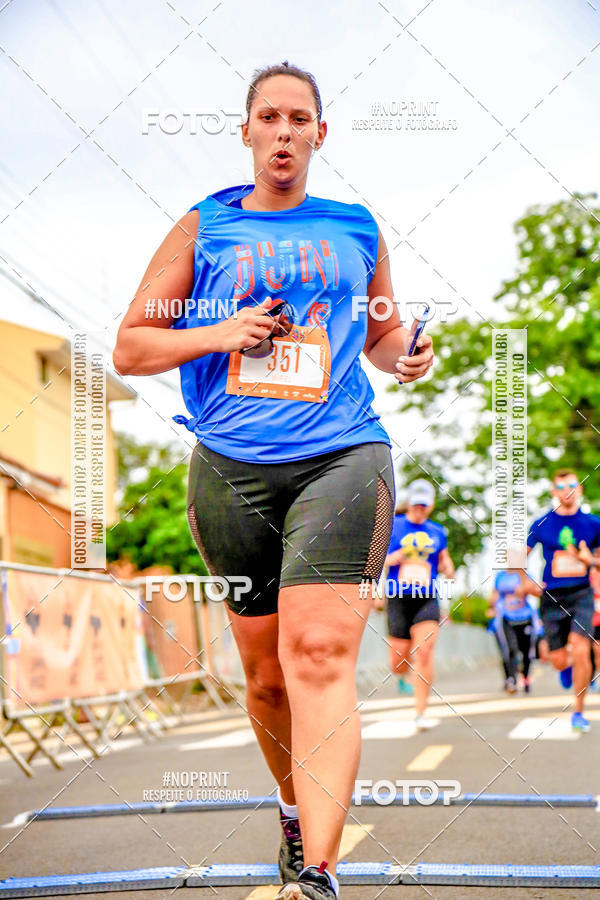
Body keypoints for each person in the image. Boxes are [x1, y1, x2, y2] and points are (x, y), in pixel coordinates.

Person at [113, 62, 434, 900]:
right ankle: (293, 813)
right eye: (270, 117)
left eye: (301, 119)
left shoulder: (357, 225)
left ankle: (320, 873)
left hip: (343, 454)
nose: (285, 131)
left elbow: (379, 331)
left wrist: (407, 354)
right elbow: (131, 348)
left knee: (320, 654)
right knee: (264, 676)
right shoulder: (204, 225)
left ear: (320, 135)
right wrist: (222, 330)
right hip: (231, 468)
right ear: (247, 131)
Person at [527, 469, 600, 732]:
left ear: (579, 489)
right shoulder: (541, 523)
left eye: (571, 485)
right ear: (553, 492)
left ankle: (578, 712)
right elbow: (516, 557)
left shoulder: (594, 524)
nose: (566, 491)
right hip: (551, 596)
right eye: (561, 486)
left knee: (581, 649)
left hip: (581, 592)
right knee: (558, 659)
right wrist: (526, 582)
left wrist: (588, 560)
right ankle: (566, 668)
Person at [382, 479, 454, 730]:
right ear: (409, 502)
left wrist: (448, 568)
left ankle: (420, 713)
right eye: (416, 504)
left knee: (424, 652)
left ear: (430, 506)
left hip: (426, 598)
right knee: (398, 663)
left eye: (424, 505)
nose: (420, 509)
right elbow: (379, 561)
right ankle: (404, 673)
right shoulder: (393, 526)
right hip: (398, 597)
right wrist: (396, 557)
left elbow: (446, 562)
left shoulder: (438, 532)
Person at [487, 558, 543, 694]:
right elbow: (493, 596)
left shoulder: (527, 576)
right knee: (509, 648)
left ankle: (525, 677)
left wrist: (525, 586)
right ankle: (511, 680)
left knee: (526, 652)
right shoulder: (500, 576)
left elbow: (538, 591)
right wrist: (492, 606)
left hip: (525, 618)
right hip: (506, 618)